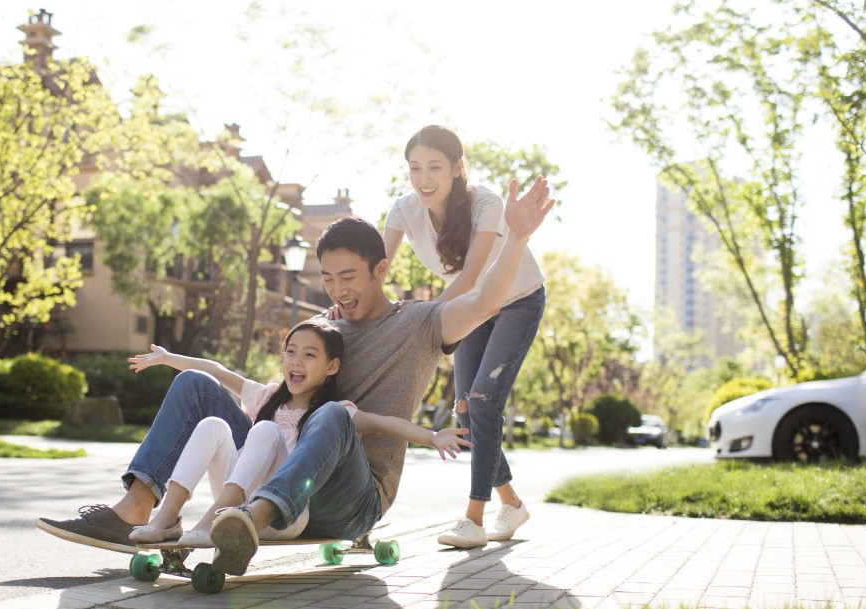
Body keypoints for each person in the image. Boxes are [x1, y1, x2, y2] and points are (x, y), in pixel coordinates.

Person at [35, 176, 553, 576]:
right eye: (327, 278)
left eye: (348, 276)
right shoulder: (323, 331)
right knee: (196, 386)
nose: (337, 290)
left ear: (381, 270)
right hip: (289, 470)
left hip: (352, 496)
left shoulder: (419, 323)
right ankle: (141, 508)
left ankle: (249, 523)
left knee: (333, 415)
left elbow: (486, 301)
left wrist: (518, 236)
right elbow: (275, 410)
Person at [122, 318, 471, 547]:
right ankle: (167, 518)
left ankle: (210, 524)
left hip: (284, 513)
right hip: (237, 491)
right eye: (290, 352)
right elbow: (218, 371)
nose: (296, 362)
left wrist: (431, 436)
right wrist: (170, 359)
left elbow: (384, 424)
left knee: (266, 433)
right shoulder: (267, 397)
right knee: (215, 426)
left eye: (309, 355)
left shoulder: (335, 413)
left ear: (331, 367)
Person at [382, 125, 547, 549]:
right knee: (464, 412)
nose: (423, 178)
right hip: (473, 309)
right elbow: (376, 268)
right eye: (415, 168)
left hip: (517, 301)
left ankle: (473, 518)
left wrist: (420, 317)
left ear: (457, 168)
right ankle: (511, 503)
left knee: (484, 403)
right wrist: (348, 299)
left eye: (434, 167)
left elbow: (472, 276)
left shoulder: (485, 204)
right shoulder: (403, 211)